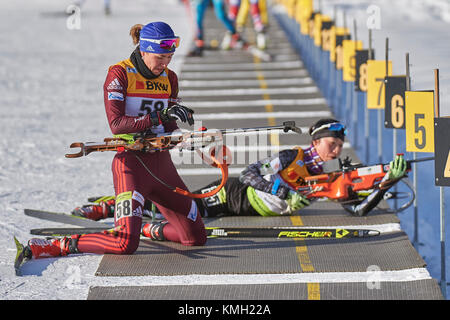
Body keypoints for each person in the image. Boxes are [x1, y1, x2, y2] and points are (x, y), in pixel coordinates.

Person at [19, 21, 207, 261]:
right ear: (144, 50)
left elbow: (168, 128)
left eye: (169, 57)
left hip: (162, 168)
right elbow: (117, 124)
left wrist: (190, 138)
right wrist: (160, 115)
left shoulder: (169, 78)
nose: (165, 63)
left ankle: (146, 228)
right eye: (160, 57)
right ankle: (61, 244)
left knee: (195, 237)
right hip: (131, 166)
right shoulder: (119, 74)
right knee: (125, 244)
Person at [72, 119, 408, 220]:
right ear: (317, 142)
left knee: (179, 210)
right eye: (331, 143)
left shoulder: (327, 179)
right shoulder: (294, 156)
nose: (336, 149)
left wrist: (385, 182)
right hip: (234, 196)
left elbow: (358, 209)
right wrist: (280, 189)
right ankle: (106, 207)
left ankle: (118, 208)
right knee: (182, 210)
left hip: (243, 207)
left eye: (338, 144)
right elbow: (250, 174)